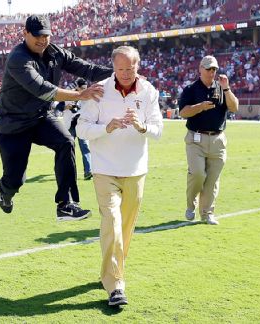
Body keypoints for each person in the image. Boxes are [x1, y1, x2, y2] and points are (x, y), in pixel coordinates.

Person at [0, 14, 113, 220]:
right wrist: (80, 95)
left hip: (41, 116)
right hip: (13, 124)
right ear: (25, 33)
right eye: (37, 36)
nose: (42, 40)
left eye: (46, 36)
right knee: (15, 179)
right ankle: (5, 193)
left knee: (66, 141)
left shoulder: (55, 52)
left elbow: (86, 69)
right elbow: (43, 89)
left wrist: (120, 73)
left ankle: (66, 204)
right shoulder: (18, 58)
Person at [76, 46, 163, 308]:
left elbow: (158, 130)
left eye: (130, 68)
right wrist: (107, 127)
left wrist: (142, 126)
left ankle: (110, 271)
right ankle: (115, 285)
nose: (125, 74)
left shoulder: (149, 91)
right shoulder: (98, 90)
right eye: (120, 69)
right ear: (113, 67)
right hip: (104, 169)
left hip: (136, 170)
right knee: (112, 223)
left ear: (138, 66)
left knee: (124, 230)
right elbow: (81, 129)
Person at [179, 55, 239, 225]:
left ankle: (207, 213)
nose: (212, 72)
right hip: (196, 139)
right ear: (200, 69)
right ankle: (191, 205)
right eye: (208, 69)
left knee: (212, 180)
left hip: (217, 140)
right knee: (197, 174)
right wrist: (200, 107)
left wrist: (226, 89)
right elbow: (183, 112)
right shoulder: (191, 89)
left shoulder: (221, 88)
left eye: (214, 69)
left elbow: (234, 107)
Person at [59, 78, 93, 180]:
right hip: (70, 126)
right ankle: (69, 173)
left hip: (82, 125)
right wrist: (67, 107)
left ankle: (88, 171)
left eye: (85, 88)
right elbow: (58, 107)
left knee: (85, 148)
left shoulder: (87, 96)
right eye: (82, 88)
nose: (84, 90)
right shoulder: (67, 95)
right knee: (69, 150)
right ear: (77, 87)